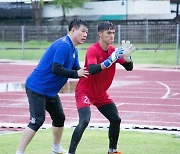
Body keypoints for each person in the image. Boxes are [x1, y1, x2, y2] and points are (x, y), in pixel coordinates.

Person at [16, 19, 89, 154]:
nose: (85, 35)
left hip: (50, 92)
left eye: (87, 32)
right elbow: (56, 68)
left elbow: (78, 71)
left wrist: (94, 70)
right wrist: (76, 73)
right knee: (37, 120)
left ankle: (55, 148)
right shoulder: (64, 45)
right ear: (73, 30)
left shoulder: (73, 49)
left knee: (59, 117)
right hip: (37, 88)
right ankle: (19, 152)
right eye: (83, 31)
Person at [68, 21, 134, 154]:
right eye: (108, 33)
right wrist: (110, 60)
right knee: (84, 121)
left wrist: (128, 58)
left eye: (113, 33)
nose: (112, 36)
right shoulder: (93, 49)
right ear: (100, 34)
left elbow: (129, 68)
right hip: (85, 91)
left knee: (116, 119)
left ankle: (112, 150)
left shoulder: (113, 51)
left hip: (101, 94)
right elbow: (92, 69)